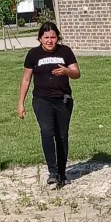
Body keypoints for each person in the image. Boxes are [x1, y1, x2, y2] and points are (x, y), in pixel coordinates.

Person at [18, 22, 80, 188]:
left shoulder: (65, 51)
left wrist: (67, 71)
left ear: (57, 38)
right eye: (46, 37)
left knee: (62, 136)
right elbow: (25, 79)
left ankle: (61, 172)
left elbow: (77, 73)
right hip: (42, 100)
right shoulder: (33, 54)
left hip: (63, 99)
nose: (50, 40)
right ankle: (52, 171)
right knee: (47, 132)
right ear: (40, 39)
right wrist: (20, 103)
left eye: (53, 37)